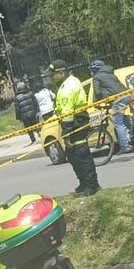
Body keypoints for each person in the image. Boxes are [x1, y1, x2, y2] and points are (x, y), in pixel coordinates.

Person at [50, 59, 99, 196]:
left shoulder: (67, 87)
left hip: (75, 123)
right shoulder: (69, 82)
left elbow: (67, 112)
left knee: (81, 155)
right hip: (74, 122)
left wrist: (67, 134)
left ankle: (92, 185)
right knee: (72, 156)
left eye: (53, 74)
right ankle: (84, 183)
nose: (52, 77)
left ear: (61, 72)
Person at [88, 59, 133, 152]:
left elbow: (97, 92)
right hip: (127, 96)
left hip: (118, 99)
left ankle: (125, 145)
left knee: (118, 122)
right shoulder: (111, 74)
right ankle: (133, 129)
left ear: (94, 69)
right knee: (122, 118)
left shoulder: (96, 77)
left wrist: (98, 102)